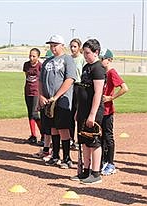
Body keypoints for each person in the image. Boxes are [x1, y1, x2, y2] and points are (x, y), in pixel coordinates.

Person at [39, 35, 77, 169]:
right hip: (49, 101)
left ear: (62, 45)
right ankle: (55, 156)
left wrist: (56, 96)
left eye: (55, 45)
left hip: (62, 101)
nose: (53, 47)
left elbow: (70, 79)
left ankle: (67, 158)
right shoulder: (47, 62)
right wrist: (41, 96)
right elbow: (40, 81)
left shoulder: (67, 59)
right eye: (51, 45)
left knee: (63, 128)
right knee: (53, 127)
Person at [72, 39, 106, 184]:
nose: (85, 56)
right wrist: (78, 111)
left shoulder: (98, 68)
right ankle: (85, 171)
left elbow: (98, 93)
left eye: (87, 53)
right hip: (83, 110)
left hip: (93, 111)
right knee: (84, 141)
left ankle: (95, 173)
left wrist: (92, 114)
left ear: (96, 52)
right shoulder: (87, 67)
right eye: (84, 53)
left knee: (94, 141)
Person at [99, 48, 129, 176]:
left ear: (109, 60)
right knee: (101, 137)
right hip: (100, 109)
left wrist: (111, 97)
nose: (101, 61)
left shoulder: (111, 72)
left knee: (108, 136)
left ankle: (111, 163)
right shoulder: (101, 72)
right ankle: (103, 161)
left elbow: (124, 88)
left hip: (108, 110)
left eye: (103, 59)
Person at [32, 50, 54, 159]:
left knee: (53, 128)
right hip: (43, 100)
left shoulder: (55, 71)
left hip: (52, 101)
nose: (47, 61)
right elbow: (40, 84)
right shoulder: (44, 69)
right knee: (46, 127)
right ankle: (46, 150)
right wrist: (40, 98)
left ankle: (53, 152)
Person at [23, 48, 44, 146]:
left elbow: (42, 80)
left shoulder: (40, 66)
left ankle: (44, 135)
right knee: (30, 114)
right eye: (30, 55)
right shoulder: (26, 65)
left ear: (38, 57)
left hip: (36, 92)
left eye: (34, 56)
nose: (31, 58)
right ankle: (33, 136)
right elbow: (26, 77)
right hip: (28, 91)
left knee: (34, 113)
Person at [69, 38, 86, 150]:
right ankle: (70, 139)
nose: (72, 48)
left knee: (79, 113)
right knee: (70, 114)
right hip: (70, 86)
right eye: (71, 46)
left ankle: (80, 139)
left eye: (75, 46)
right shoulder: (68, 59)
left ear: (79, 47)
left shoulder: (82, 59)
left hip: (79, 87)